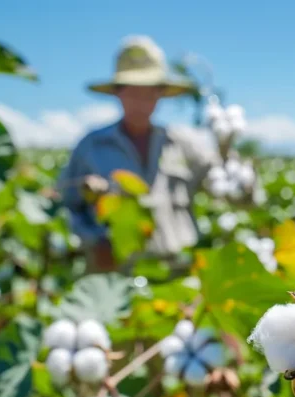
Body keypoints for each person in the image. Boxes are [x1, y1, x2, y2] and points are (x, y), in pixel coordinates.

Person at [58, 35, 214, 272]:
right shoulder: (91, 146)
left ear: (160, 94)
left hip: (178, 274)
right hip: (115, 275)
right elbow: (67, 203)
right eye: (133, 91)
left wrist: (225, 146)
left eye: (149, 92)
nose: (141, 101)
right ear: (118, 93)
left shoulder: (185, 144)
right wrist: (93, 240)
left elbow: (230, 189)